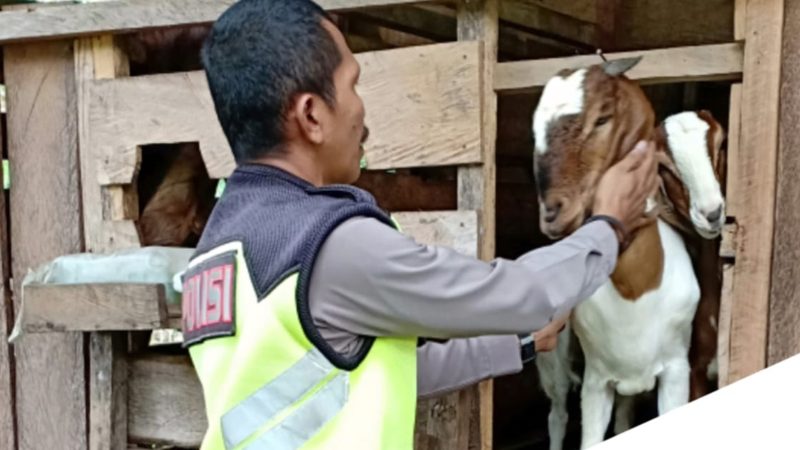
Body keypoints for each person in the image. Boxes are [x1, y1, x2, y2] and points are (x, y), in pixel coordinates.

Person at [180, 0, 659, 449]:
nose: (361, 108)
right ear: (311, 115)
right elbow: (523, 295)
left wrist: (515, 346)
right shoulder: (329, 244)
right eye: (353, 85)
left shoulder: (218, 245)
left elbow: (353, 372)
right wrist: (609, 224)